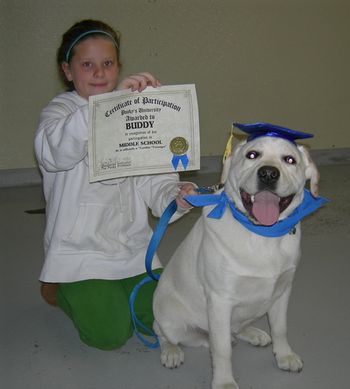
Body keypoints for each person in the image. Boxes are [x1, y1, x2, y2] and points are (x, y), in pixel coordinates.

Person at [34, 19, 196, 350]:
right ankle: (60, 289)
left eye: (107, 64)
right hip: (79, 253)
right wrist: (110, 106)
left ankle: (117, 287)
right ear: (68, 70)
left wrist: (175, 196)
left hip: (131, 248)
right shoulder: (60, 112)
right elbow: (55, 153)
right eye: (87, 65)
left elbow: (155, 179)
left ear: (118, 66)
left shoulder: (137, 111)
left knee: (166, 319)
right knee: (109, 335)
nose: (99, 73)